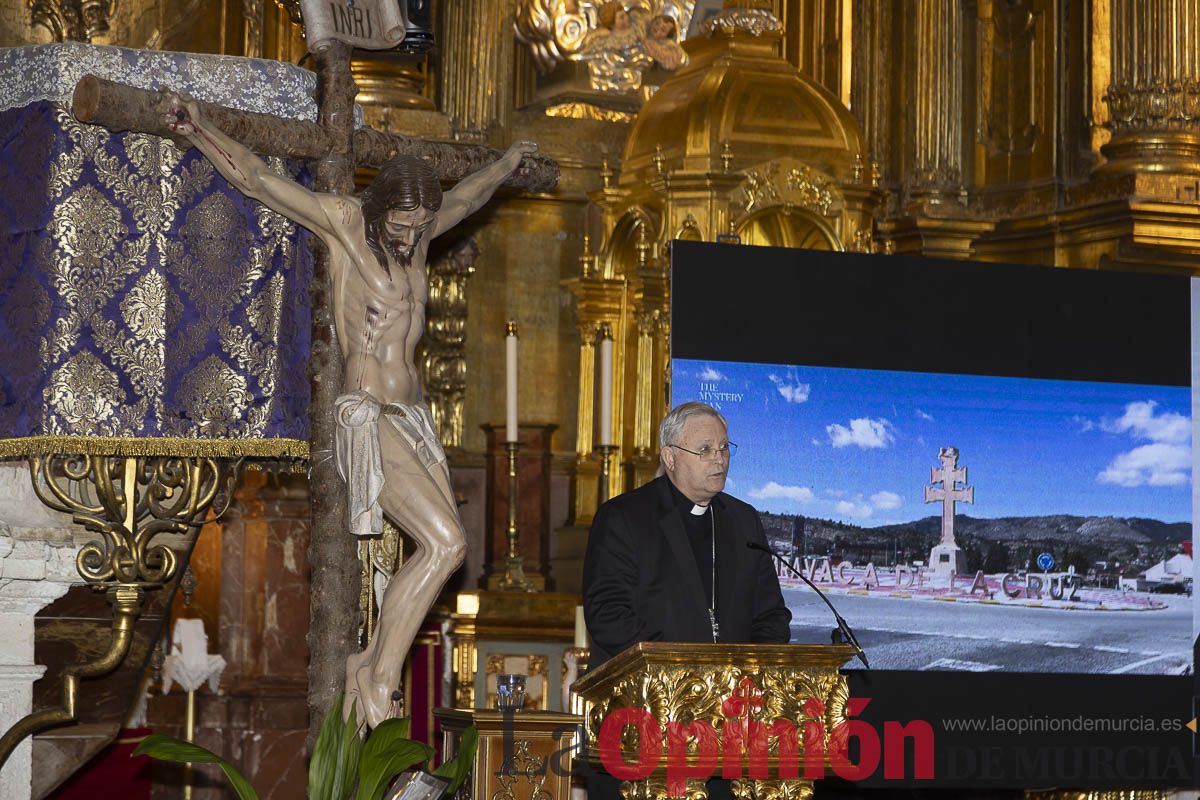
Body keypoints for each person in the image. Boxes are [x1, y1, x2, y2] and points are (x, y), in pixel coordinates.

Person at [159, 91, 537, 729]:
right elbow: (260, 180)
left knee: (436, 552)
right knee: (447, 545)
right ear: (382, 205)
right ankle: (377, 672)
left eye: (420, 225)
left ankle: (370, 660)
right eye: (403, 223)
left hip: (415, 421)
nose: (412, 234)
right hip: (367, 414)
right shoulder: (345, 224)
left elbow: (468, 199)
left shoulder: (418, 239)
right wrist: (198, 130)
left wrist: (505, 165)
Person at [583, 401, 792, 667]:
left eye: (724, 448)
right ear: (670, 457)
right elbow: (609, 614)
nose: (719, 458)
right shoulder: (623, 518)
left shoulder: (743, 520)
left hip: (735, 697)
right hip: (649, 692)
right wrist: (677, 666)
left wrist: (754, 668)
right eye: (704, 450)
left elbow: (771, 615)